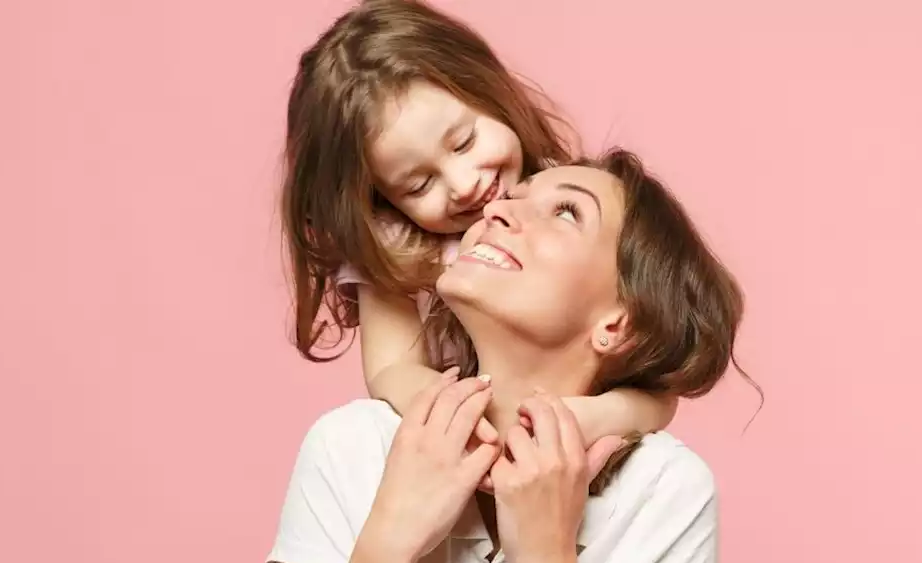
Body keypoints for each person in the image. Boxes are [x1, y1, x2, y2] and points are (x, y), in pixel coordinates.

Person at [264, 150, 747, 563]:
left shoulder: (662, 490)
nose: (495, 212)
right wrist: (388, 545)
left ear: (618, 322)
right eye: (512, 199)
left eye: (567, 212)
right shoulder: (350, 447)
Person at [280, 0, 677, 455]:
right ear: (382, 201)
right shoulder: (394, 250)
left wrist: (601, 415)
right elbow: (393, 372)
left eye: (464, 142)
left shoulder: (552, 204)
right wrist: (468, 421)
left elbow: (658, 391)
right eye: (418, 184)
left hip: (562, 452)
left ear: (489, 94)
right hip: (462, 457)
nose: (465, 185)